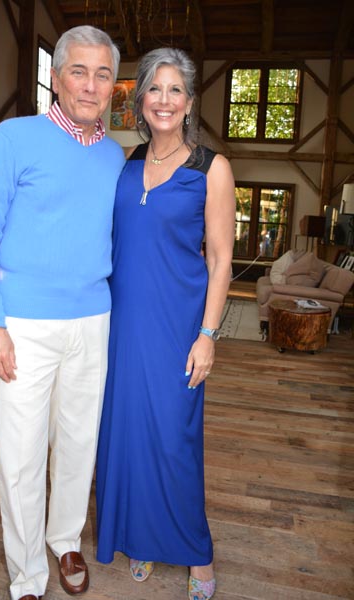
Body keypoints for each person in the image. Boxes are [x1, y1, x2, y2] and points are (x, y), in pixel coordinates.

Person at [0, 25, 125, 600]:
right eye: (78, 71)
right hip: (22, 326)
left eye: (102, 73)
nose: (90, 84)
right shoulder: (13, 138)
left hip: (93, 320)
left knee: (79, 443)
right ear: (55, 79)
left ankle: (65, 540)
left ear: (114, 87)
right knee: (21, 455)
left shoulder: (115, 157)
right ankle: (27, 572)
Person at [95, 48, 236, 600]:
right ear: (140, 99)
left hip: (179, 327)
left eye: (175, 90)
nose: (163, 99)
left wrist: (208, 335)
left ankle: (197, 554)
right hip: (123, 325)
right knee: (127, 436)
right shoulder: (125, 163)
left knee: (175, 440)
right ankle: (141, 540)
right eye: (154, 88)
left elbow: (221, 259)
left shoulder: (211, 168)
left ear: (189, 102)